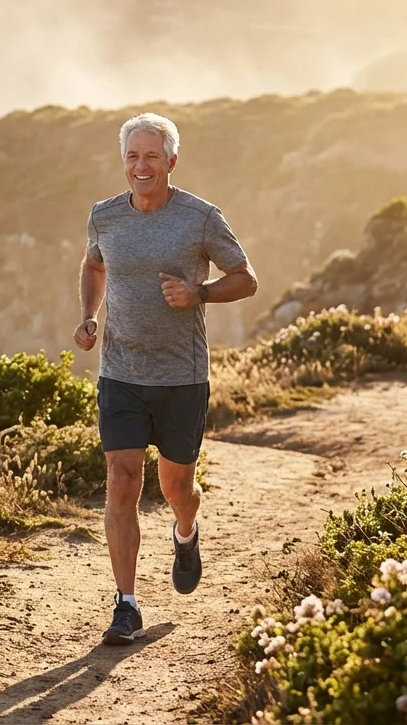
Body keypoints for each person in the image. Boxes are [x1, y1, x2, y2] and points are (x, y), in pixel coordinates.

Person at [75, 112, 258, 646]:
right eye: (133, 156)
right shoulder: (104, 216)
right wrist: (90, 314)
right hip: (121, 372)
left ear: (171, 161)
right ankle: (126, 605)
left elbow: (246, 278)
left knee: (176, 486)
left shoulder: (200, 218)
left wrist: (198, 293)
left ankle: (186, 532)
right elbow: (94, 266)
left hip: (181, 375)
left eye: (152, 156)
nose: (141, 166)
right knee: (122, 480)